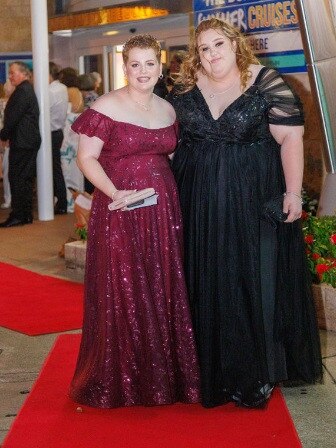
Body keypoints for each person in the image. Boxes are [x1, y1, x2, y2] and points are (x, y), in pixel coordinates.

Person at [168, 18, 322, 409]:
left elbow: (290, 138)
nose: (212, 53)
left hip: (253, 198)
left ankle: (255, 369)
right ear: (196, 54)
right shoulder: (184, 88)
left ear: (235, 43)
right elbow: (170, 141)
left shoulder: (265, 80)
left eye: (218, 44)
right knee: (207, 276)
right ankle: (209, 367)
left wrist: (292, 192)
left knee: (253, 277)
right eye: (203, 48)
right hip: (198, 201)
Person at [69, 34, 200, 408]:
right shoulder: (106, 106)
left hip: (162, 209)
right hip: (120, 207)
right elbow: (86, 158)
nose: (143, 71)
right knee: (124, 283)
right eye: (135, 64)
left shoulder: (169, 109)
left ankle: (165, 377)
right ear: (124, 67)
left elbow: (170, 158)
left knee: (161, 281)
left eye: (149, 64)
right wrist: (114, 193)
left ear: (160, 67)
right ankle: (123, 380)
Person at [0, 61, 41, 227]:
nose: (9, 76)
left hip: (24, 141)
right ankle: (24, 215)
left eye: (12, 73)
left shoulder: (23, 91)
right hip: (25, 140)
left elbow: (12, 118)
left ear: (23, 74)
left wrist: (3, 135)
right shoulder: (24, 89)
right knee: (22, 179)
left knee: (18, 178)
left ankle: (19, 215)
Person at [49, 61, 68, 215]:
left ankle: (60, 201)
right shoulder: (62, 88)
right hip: (58, 132)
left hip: (50, 133)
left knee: (53, 169)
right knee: (56, 168)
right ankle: (61, 201)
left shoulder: (49, 90)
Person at [0, 79, 14, 209]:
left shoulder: (8, 103)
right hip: (6, 140)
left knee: (8, 170)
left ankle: (9, 198)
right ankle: (8, 198)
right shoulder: (5, 103)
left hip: (8, 141)